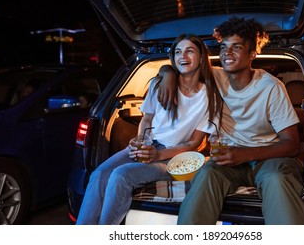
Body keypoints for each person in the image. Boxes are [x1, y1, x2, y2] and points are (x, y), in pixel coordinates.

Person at [157, 17, 304, 225]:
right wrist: (166, 74)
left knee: (277, 179)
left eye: (236, 47)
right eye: (224, 47)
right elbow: (181, 66)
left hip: (269, 158)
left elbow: (291, 144)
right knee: (206, 175)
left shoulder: (270, 86)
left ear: (252, 54)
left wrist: (246, 154)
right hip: (229, 159)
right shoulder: (214, 78)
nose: (227, 53)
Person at [76, 34, 222, 225]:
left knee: (121, 176)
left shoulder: (209, 97)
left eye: (190, 51)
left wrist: (158, 156)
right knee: (99, 174)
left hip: (175, 157)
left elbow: (194, 143)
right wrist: (140, 141)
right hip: (149, 145)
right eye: (178, 52)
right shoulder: (158, 84)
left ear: (202, 58)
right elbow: (147, 119)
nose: (183, 56)